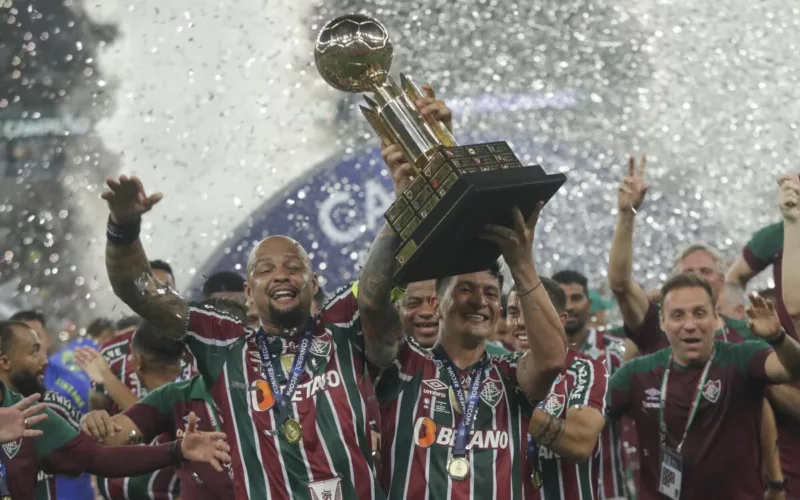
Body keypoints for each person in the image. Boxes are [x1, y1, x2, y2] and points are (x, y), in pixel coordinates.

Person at [374, 117, 567, 498]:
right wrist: (404, 208)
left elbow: (551, 361)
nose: (480, 300)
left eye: (492, 294)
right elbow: (372, 300)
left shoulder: (510, 373)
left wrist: (522, 264)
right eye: (465, 289)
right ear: (436, 303)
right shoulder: (401, 365)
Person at [608, 156, 786, 495]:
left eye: (705, 271)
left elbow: (760, 409)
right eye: (686, 272)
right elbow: (619, 283)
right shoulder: (657, 326)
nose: (696, 276)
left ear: (720, 281)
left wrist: (775, 479)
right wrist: (626, 215)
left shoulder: (746, 335)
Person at [606, 273, 800, 500]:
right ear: (662, 321)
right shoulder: (636, 373)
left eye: (699, 313)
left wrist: (778, 338)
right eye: (678, 315)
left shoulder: (742, 358)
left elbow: (792, 369)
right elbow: (591, 420)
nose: (690, 325)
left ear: (715, 316)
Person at [0, 320, 231, 499]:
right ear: (4, 362)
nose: (45, 361)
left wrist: (177, 449)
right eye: (33, 351)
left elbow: (98, 456)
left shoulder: (33, 413)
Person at [517, 278, 608, 500]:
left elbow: (580, 443)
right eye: (512, 312)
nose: (519, 321)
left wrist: (515, 409)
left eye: (531, 313)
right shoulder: (490, 371)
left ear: (561, 320)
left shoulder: (583, 369)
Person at [550, 270, 628, 500]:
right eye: (562, 299)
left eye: (576, 298)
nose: (570, 306)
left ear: (589, 303)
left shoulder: (616, 352)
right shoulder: (533, 357)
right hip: (554, 488)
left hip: (609, 487)